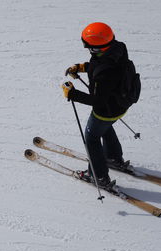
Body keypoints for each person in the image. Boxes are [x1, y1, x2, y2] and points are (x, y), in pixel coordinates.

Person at [62, 22, 130, 189]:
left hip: (106, 110)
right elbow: (100, 63)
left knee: (92, 138)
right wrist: (82, 67)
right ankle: (113, 157)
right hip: (120, 106)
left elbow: (97, 100)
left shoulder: (105, 73)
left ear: (97, 48)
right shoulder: (117, 49)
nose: (86, 48)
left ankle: (98, 176)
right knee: (104, 128)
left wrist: (72, 94)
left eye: (88, 45)